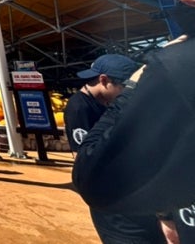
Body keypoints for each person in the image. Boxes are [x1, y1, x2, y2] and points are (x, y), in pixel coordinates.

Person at [73, 0, 195, 243]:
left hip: (125, 190)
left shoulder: (177, 67)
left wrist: (134, 87)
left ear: (188, 2)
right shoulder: (78, 105)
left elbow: (92, 178)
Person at [64, 54, 165, 243]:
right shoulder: (79, 108)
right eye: (124, 87)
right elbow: (84, 157)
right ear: (104, 81)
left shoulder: (106, 102)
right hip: (108, 192)